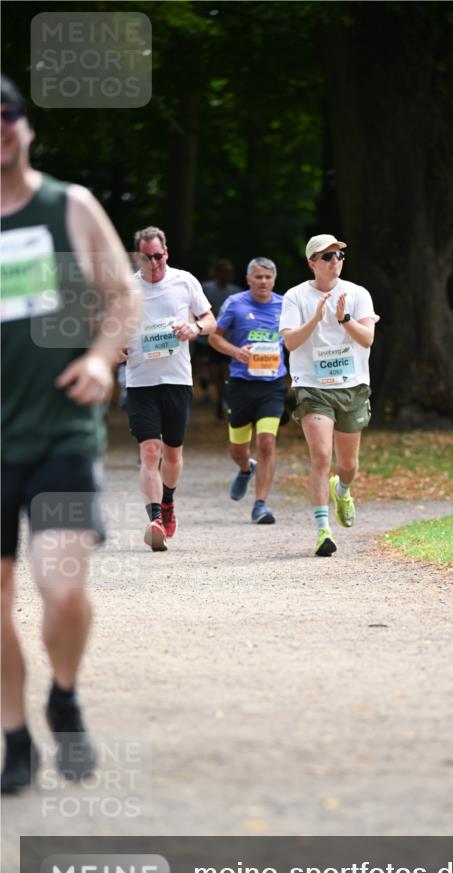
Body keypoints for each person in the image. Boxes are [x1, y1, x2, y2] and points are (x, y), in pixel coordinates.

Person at [1, 76, 141, 793]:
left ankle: (62, 693)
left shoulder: (70, 206)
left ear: (25, 124)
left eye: (5, 114)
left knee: (61, 589)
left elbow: (122, 296)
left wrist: (96, 356)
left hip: (60, 434)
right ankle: (14, 737)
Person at [279, 234, 378, 556]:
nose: (335, 261)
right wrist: (315, 319)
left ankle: (343, 489)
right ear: (312, 263)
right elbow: (291, 343)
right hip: (313, 386)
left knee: (347, 464)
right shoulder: (295, 296)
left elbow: (367, 340)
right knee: (321, 456)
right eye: (327, 257)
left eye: (339, 255)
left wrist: (343, 319)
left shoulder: (358, 293)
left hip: (352, 385)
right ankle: (323, 531)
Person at [126, 226, 215, 550]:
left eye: (159, 255)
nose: (154, 262)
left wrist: (193, 328)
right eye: (147, 257)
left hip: (177, 379)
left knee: (173, 453)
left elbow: (210, 320)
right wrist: (116, 349)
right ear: (139, 256)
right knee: (150, 452)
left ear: (167, 253)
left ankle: (168, 501)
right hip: (140, 381)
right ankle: (155, 519)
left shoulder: (184, 281)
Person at [209, 257, 286, 524]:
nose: (263, 282)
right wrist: (236, 352)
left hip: (273, 385)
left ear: (274, 280)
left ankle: (260, 505)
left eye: (268, 277)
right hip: (241, 384)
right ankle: (245, 468)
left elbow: (298, 338)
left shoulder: (284, 305)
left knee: (266, 441)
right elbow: (214, 337)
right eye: (258, 277)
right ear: (249, 279)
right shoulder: (235, 303)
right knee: (237, 449)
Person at [197, 258, 241, 414]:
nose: (227, 275)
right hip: (207, 338)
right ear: (216, 273)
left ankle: (224, 398)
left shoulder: (235, 291)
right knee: (213, 370)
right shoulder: (206, 289)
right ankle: (214, 393)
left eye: (229, 272)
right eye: (223, 272)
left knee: (226, 369)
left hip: (228, 339)